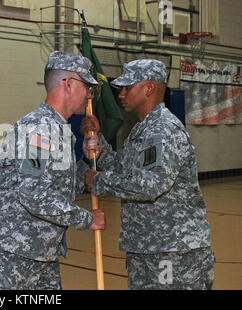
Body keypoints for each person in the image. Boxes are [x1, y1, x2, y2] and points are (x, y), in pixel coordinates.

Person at [0, 51, 106, 290]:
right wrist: (86, 219)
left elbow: (60, 189)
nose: (89, 95)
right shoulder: (40, 129)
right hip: (9, 259)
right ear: (68, 84)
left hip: (41, 256)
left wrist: (86, 161)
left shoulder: (58, 129)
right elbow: (34, 195)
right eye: (87, 86)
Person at [81, 59, 215, 290]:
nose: (121, 94)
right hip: (146, 248)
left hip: (172, 251)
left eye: (128, 87)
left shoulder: (163, 130)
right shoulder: (142, 130)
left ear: (149, 88)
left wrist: (100, 182)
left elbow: (151, 185)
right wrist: (98, 142)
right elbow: (123, 169)